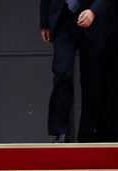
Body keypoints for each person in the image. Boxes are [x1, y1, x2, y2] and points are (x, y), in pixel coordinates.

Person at [40, 0, 110, 143]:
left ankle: (87, 133)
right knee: (62, 73)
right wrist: (44, 22)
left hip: (93, 19)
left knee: (92, 79)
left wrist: (94, 11)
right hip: (62, 18)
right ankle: (61, 132)